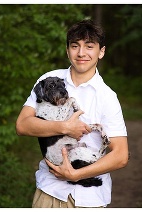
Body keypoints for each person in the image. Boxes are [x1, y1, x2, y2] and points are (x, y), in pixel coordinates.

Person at [15, 19, 129, 208]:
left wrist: (75, 175)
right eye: (75, 46)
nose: (81, 53)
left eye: (89, 46)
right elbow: (22, 125)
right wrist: (65, 127)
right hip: (49, 191)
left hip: (89, 198)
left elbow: (121, 155)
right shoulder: (48, 80)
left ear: (101, 52)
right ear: (67, 50)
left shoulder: (107, 97)